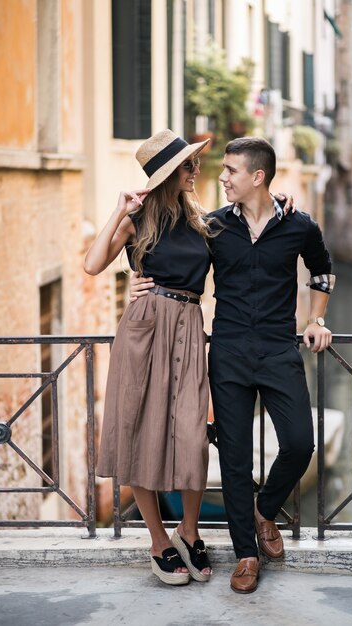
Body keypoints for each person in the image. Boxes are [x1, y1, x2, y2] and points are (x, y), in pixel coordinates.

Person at [130, 136, 335, 594]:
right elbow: (164, 250)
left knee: (301, 443)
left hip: (281, 351)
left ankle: (264, 512)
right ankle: (246, 553)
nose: (220, 177)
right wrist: (138, 282)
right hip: (228, 354)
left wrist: (317, 317)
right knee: (236, 460)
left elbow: (322, 271)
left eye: (229, 171)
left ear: (257, 177)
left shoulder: (301, 225)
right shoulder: (212, 226)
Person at [84, 129, 214, 586]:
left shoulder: (202, 220)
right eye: (187, 166)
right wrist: (119, 209)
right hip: (144, 327)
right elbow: (92, 263)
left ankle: (189, 530)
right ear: (167, 176)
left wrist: (278, 202)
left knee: (192, 433)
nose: (195, 171)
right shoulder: (137, 220)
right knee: (140, 430)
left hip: (188, 326)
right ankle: (157, 541)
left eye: (193, 164)